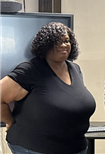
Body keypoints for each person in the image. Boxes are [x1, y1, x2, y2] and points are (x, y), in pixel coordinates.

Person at [0, 22, 95, 154]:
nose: (63, 45)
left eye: (66, 41)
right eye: (56, 42)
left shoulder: (74, 69)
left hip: (76, 147)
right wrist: (10, 121)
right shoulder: (30, 70)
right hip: (35, 148)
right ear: (45, 45)